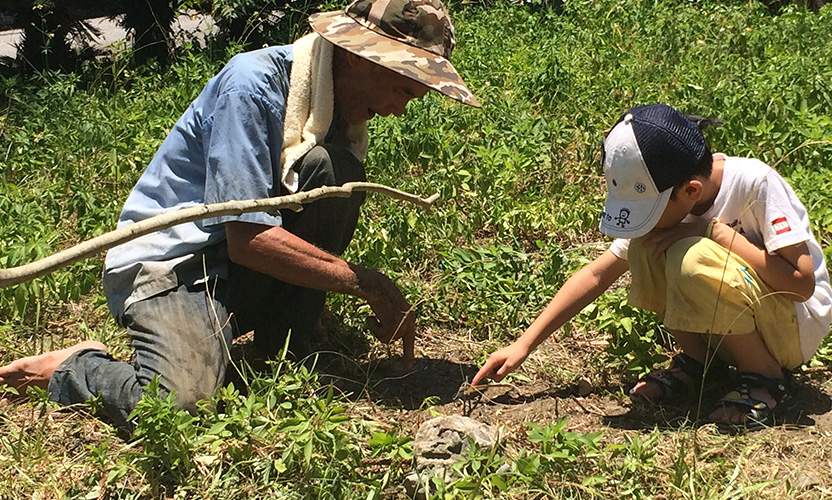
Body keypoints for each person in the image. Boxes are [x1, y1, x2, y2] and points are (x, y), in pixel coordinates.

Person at [0, 0, 480, 427]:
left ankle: (285, 342)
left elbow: (287, 209)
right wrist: (368, 284)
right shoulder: (253, 85)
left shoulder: (333, 100)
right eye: (401, 89)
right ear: (358, 56)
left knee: (332, 171)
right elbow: (247, 237)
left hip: (235, 260)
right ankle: (76, 367)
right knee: (176, 407)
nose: (397, 109)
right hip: (175, 267)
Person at [472, 104, 832, 430]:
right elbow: (598, 274)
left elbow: (801, 285)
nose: (645, 221)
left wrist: (715, 233)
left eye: (649, 209)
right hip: (737, 325)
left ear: (691, 191)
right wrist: (524, 344)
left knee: (691, 256)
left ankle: (766, 379)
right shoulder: (671, 201)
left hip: (793, 328)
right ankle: (700, 364)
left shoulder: (755, 183)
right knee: (648, 246)